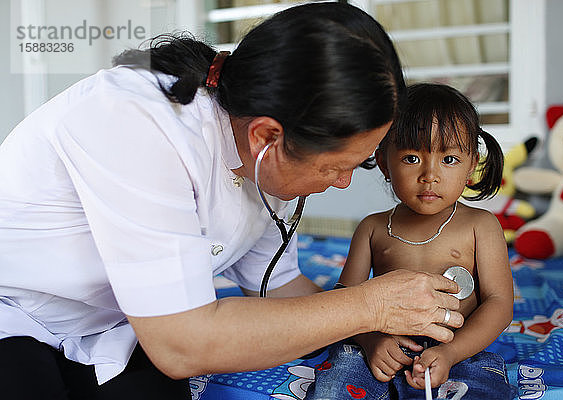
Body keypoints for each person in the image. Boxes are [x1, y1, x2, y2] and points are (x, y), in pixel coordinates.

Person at [0, 4, 464, 399]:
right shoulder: (136, 123)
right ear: (268, 136)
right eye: (333, 166)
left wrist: (372, 329)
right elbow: (182, 345)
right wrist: (369, 305)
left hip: (118, 325)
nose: (342, 182)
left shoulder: (264, 158)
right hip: (14, 307)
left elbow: (277, 289)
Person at [306, 83, 518, 400]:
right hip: (384, 346)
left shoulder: (481, 226)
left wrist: (452, 353)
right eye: (411, 158)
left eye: (448, 159)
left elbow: (500, 304)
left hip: (458, 345)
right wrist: (372, 341)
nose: (429, 175)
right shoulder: (373, 228)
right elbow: (346, 298)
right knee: (337, 380)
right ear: (383, 163)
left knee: (483, 384)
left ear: (471, 164)